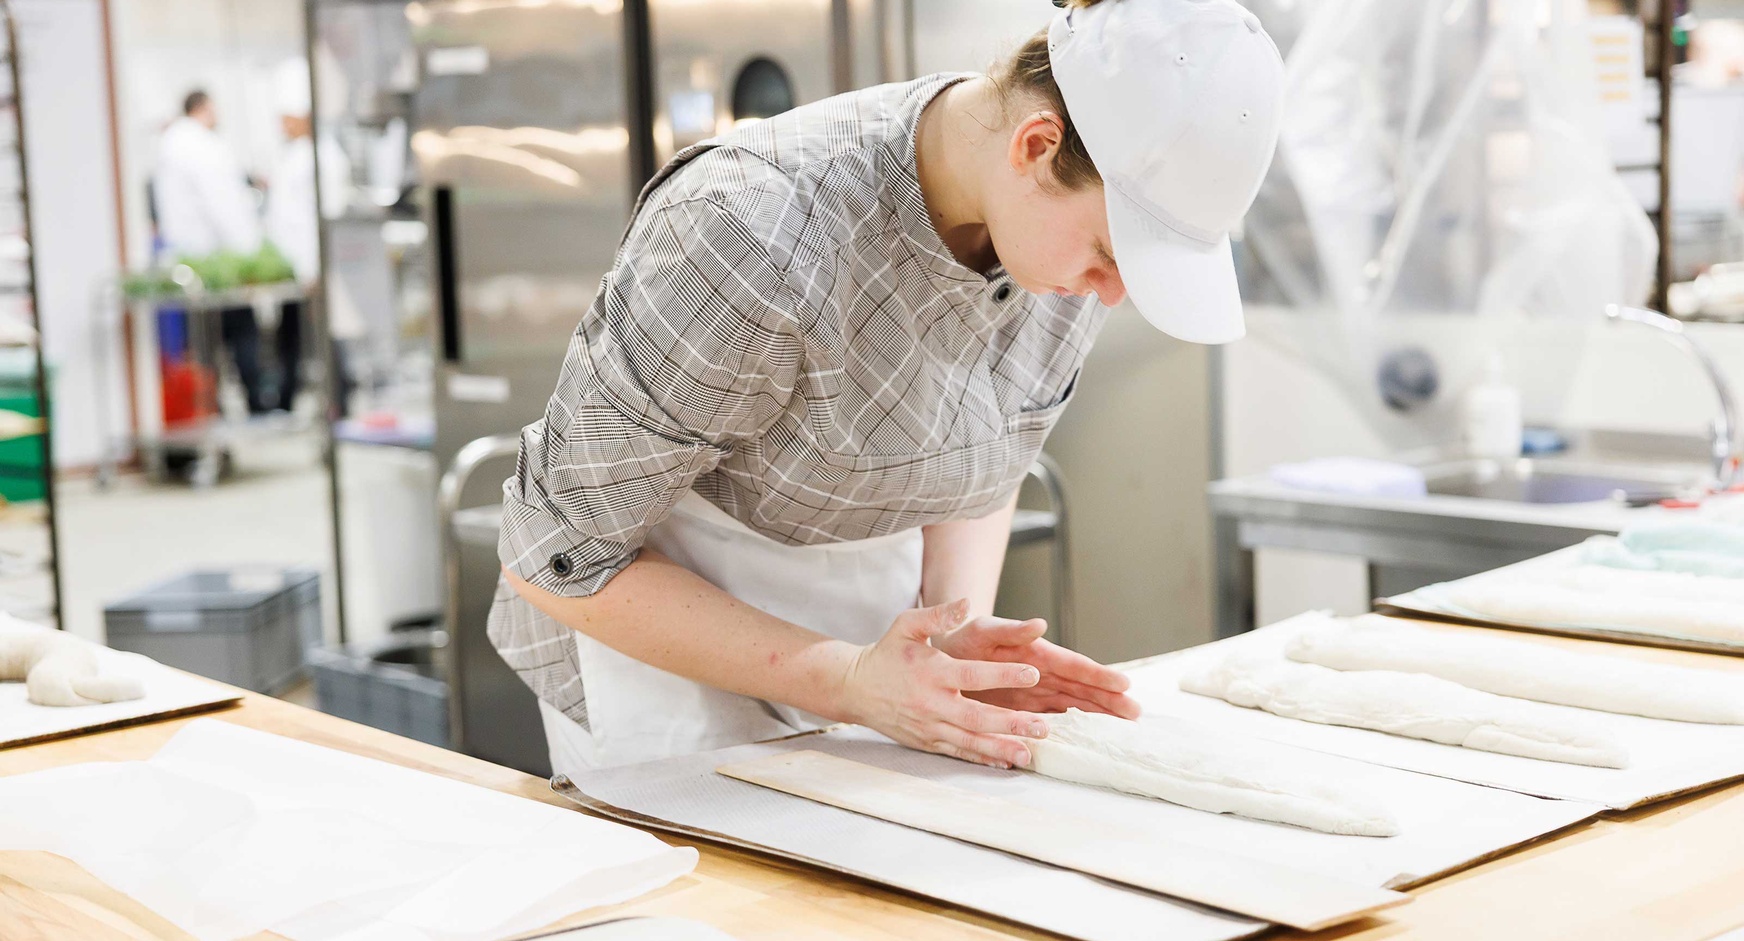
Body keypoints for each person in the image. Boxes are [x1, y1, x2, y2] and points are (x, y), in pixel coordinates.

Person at [490, 0, 1285, 774]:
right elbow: (556, 554)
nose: (1111, 294)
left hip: (878, 670)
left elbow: (992, 445)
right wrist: (846, 679)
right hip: (670, 664)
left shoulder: (1053, 248)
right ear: (1035, 147)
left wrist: (947, 639)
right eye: (1112, 254)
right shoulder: (748, 233)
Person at [152, 90, 273, 414]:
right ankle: (256, 406)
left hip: (187, 260)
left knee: (201, 346)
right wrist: (249, 254)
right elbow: (224, 205)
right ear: (203, 108)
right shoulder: (200, 145)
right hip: (214, 260)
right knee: (240, 334)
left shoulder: (172, 143)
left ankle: (208, 410)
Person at [265, 58, 355, 415]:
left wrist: (315, 267)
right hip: (291, 264)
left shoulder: (326, 156)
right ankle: (285, 398)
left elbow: (326, 218)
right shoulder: (293, 156)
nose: (283, 125)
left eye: (287, 117)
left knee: (325, 336)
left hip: (313, 265)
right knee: (290, 335)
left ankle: (341, 397)